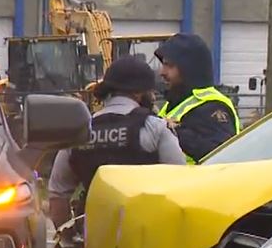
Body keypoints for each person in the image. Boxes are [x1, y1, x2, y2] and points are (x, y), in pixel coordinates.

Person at [47, 56, 188, 227]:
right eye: (150, 92)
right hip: (144, 236)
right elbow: (181, 183)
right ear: (138, 93)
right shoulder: (154, 127)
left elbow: (57, 196)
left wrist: (68, 237)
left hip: (92, 237)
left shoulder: (79, 132)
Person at [154, 33, 241, 162]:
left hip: (198, 182)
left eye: (169, 65)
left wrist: (172, 130)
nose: (162, 72)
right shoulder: (175, 103)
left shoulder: (213, 106)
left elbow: (221, 153)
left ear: (188, 69)